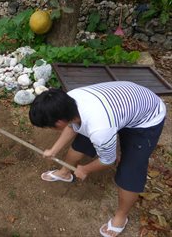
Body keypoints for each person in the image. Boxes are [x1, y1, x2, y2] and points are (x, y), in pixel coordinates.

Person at [29, 81, 166, 237]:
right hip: (121, 106)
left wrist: (85, 169)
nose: (49, 129)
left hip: (146, 117)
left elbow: (108, 160)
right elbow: (71, 126)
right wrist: (54, 150)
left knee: (130, 170)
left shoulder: (100, 128)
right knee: (82, 140)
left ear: (58, 122)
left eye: (48, 126)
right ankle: (65, 172)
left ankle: (121, 217)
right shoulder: (68, 100)